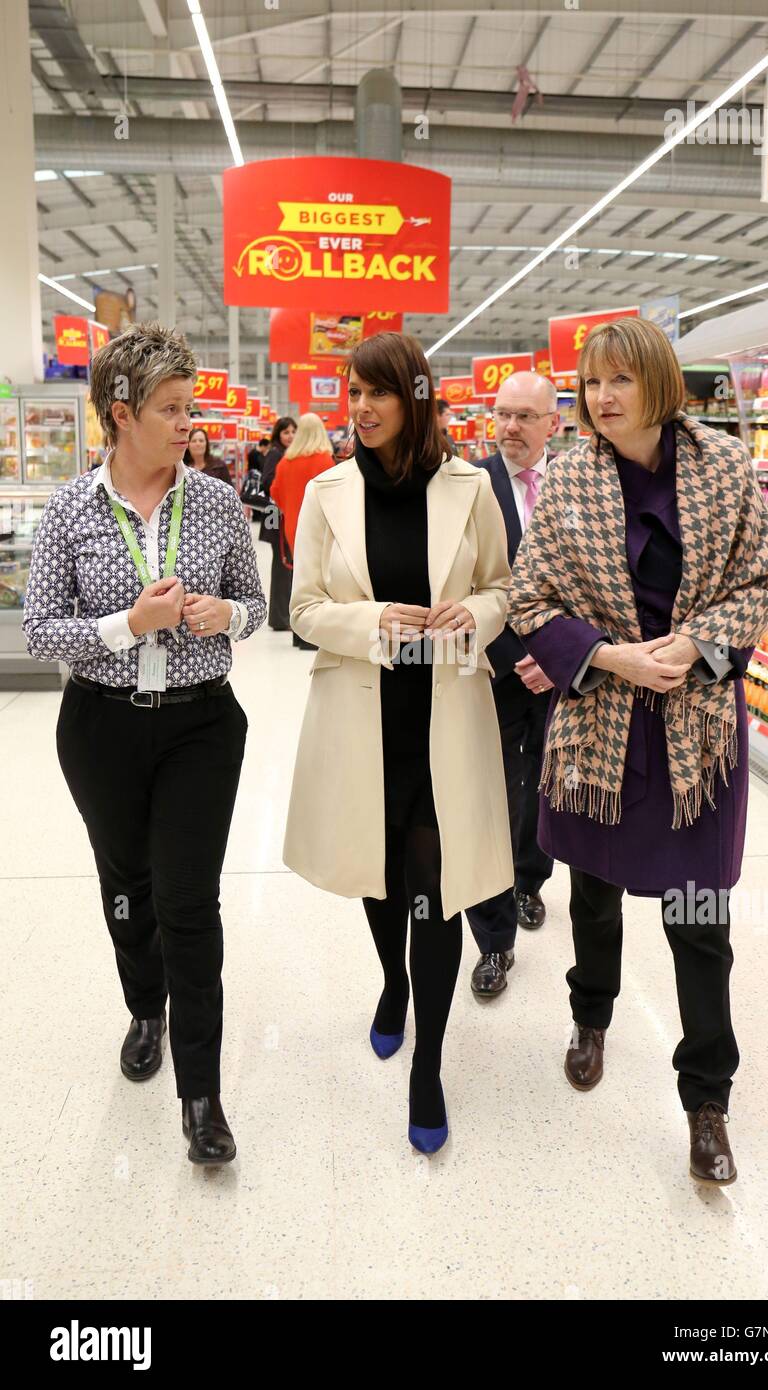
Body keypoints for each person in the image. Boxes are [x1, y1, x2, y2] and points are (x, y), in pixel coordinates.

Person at [508, 317, 768, 1185]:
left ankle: (707, 1098)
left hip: (695, 736)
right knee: (592, 897)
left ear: (659, 384)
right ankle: (591, 1015)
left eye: (620, 381)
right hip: (600, 729)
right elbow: (531, 595)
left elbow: (761, 582)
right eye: (591, 384)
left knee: (698, 921)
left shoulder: (724, 467)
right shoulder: (569, 477)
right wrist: (604, 656)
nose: (602, 398)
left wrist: (698, 643)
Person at [23, 321, 267, 1166]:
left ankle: (201, 1095)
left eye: (189, 407)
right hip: (102, 725)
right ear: (120, 415)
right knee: (125, 884)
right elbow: (40, 630)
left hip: (202, 722)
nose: (187, 424)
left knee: (188, 901)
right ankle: (145, 1007)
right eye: (170, 409)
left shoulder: (217, 502)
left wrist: (222, 614)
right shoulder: (69, 509)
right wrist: (132, 623)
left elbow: (255, 606)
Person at [283, 332, 513, 1155]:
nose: (361, 409)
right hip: (362, 713)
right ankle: (390, 985)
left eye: (377, 394)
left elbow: (501, 586)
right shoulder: (327, 492)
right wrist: (372, 620)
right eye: (352, 394)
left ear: (414, 398)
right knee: (378, 874)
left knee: (436, 881)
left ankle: (430, 1066)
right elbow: (304, 610)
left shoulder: (470, 486)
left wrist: (476, 616)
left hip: (444, 713)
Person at [465, 372, 558, 999]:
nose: (510, 428)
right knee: (489, 795)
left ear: (555, 423)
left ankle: (530, 879)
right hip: (491, 668)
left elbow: (601, 583)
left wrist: (557, 654)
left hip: (562, 671)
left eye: (526, 416)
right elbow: (458, 580)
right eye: (502, 415)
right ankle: (494, 941)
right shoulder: (469, 485)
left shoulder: (581, 486)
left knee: (547, 784)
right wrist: (506, 652)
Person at [268, 412, 335, 650]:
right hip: (321, 527)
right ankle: (312, 635)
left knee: (298, 579)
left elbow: (275, 492)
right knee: (319, 583)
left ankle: (298, 632)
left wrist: (290, 508)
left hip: (293, 527)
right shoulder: (325, 460)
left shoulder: (286, 462)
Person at [259, 416, 297, 631]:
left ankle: (282, 615)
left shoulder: (287, 453)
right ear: (278, 435)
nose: (290, 436)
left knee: (285, 566)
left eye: (293, 432)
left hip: (283, 515)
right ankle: (280, 617)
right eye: (286, 432)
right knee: (282, 565)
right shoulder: (275, 453)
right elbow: (267, 481)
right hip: (277, 517)